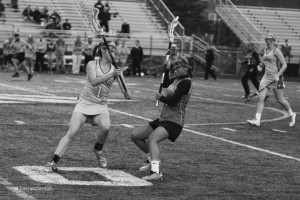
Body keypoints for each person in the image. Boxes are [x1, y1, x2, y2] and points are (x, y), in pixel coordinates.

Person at [45, 41, 122, 172]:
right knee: (72, 132)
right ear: (103, 50)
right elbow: (93, 81)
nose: (115, 52)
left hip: (100, 106)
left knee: (106, 127)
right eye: (112, 49)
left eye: (115, 50)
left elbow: (126, 92)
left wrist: (126, 92)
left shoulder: (116, 69)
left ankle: (98, 149)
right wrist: (112, 74)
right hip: (84, 104)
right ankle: (53, 161)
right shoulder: (92, 64)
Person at [131, 55, 193, 181]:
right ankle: (153, 159)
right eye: (174, 66)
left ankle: (156, 171)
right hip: (164, 118)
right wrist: (166, 69)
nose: (175, 69)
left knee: (152, 138)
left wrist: (161, 97)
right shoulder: (177, 79)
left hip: (174, 121)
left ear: (186, 68)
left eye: (177, 66)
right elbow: (165, 83)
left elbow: (173, 101)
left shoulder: (186, 82)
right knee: (136, 136)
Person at [247, 33, 296, 127]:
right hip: (266, 78)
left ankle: (291, 114)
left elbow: (285, 64)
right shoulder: (265, 50)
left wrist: (277, 75)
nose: (268, 41)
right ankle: (257, 120)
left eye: (270, 40)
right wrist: (261, 65)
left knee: (280, 100)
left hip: (276, 78)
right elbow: (266, 62)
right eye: (267, 40)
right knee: (261, 98)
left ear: (273, 41)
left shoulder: (276, 50)